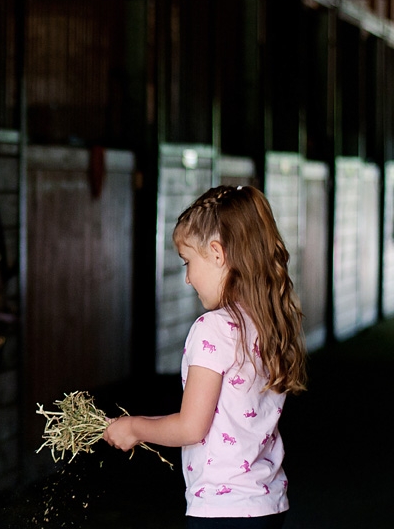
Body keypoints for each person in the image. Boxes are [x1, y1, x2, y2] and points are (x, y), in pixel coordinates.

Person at [103, 185, 308, 529]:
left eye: (187, 262)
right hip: (267, 503)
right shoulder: (266, 321)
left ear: (217, 253)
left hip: (222, 510)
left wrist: (134, 427)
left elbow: (191, 427)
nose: (186, 278)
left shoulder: (212, 329)